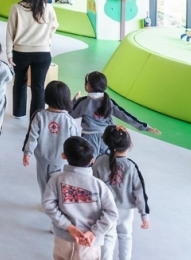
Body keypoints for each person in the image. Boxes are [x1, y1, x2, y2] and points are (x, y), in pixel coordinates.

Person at [42, 136, 119, 260]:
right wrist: (94, 232)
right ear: (92, 160)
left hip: (64, 238)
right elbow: (112, 213)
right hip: (90, 242)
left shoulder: (55, 180)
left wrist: (69, 227)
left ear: (63, 156)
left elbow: (48, 205)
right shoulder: (100, 186)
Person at [92, 125, 151, 260]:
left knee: (107, 237)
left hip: (104, 209)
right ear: (129, 145)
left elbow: (92, 185)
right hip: (125, 210)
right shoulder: (131, 166)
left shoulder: (100, 161)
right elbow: (140, 191)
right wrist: (144, 214)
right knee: (125, 236)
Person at [71, 72, 161, 157]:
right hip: (107, 137)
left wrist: (74, 101)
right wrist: (145, 127)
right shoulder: (109, 101)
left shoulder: (83, 102)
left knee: (88, 162)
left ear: (88, 86)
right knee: (107, 162)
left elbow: (71, 114)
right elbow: (125, 115)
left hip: (89, 137)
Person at [6, 0, 59, 119]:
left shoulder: (16, 8)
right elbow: (54, 26)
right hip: (43, 53)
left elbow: (10, 32)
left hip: (20, 52)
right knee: (38, 86)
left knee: (20, 82)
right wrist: (47, 41)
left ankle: (19, 113)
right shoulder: (48, 8)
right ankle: (36, 118)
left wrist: (9, 53)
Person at [22, 81, 81, 197]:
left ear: (46, 97)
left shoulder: (39, 116)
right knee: (59, 186)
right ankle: (56, 203)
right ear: (66, 99)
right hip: (61, 161)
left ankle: (46, 202)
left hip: (42, 160)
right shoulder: (69, 120)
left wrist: (27, 153)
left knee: (43, 184)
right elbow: (76, 142)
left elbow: (32, 136)